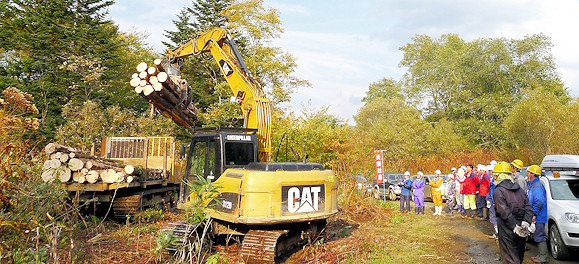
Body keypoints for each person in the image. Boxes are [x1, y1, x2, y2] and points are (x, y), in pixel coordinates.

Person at [493, 161, 533, 264]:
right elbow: (528, 208)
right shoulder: (520, 190)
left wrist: (515, 227)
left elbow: (504, 211)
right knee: (519, 257)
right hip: (520, 229)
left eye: (495, 176)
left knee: (510, 259)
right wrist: (525, 223)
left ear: (498, 176)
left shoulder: (498, 191)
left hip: (507, 229)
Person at [527, 165, 548, 264]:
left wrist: (534, 213)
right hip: (537, 215)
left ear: (532, 174)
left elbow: (539, 201)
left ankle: (543, 257)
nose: (527, 174)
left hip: (538, 216)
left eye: (528, 172)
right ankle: (540, 255)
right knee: (537, 235)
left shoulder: (537, 186)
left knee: (540, 236)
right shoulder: (533, 185)